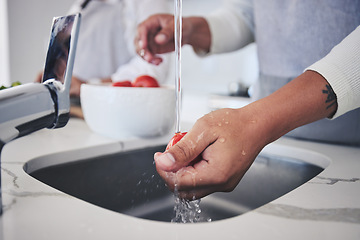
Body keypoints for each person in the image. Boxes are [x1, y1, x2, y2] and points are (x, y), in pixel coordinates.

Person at [134, 0, 360, 200]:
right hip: (272, 140)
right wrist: (192, 29)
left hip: (350, 147)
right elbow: (252, 12)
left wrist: (257, 120)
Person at [66, 0, 171, 97]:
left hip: (121, 101)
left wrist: (91, 85)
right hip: (78, 104)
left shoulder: (146, 3)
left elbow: (154, 66)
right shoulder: (80, 6)